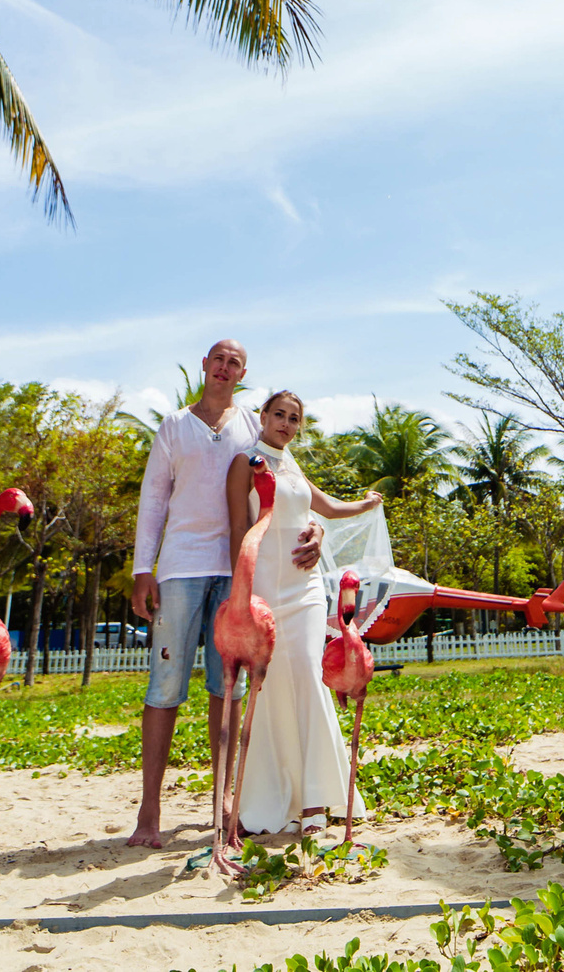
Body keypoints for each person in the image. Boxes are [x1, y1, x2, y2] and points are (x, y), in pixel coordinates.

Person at [125, 339, 324, 849]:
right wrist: (142, 569)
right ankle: (150, 809)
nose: (224, 367)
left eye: (234, 361)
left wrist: (318, 532)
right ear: (206, 366)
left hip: (239, 575)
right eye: (217, 358)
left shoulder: (252, 432)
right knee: (165, 687)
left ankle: (224, 800)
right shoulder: (174, 425)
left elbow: (297, 491)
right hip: (180, 570)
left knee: (229, 689)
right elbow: (153, 499)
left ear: (242, 374)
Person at [227, 390, 385, 836]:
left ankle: (317, 798)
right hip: (264, 590)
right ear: (263, 416)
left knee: (308, 676)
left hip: (306, 589)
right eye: (279, 414)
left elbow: (330, 508)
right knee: (272, 687)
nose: (285, 424)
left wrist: (366, 504)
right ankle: (277, 797)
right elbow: (238, 529)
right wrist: (242, 595)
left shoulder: (291, 465)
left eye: (294, 419)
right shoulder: (245, 463)